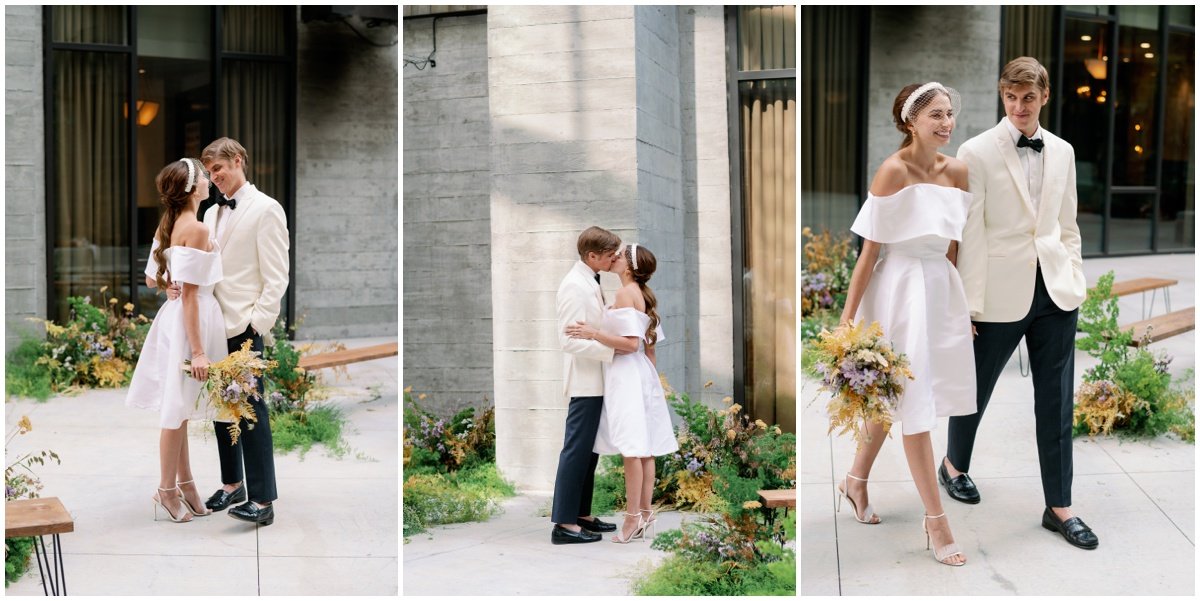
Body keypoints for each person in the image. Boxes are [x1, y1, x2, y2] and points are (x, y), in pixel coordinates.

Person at [944, 57, 1098, 550]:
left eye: (1027, 98)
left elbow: (1067, 224)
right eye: (1010, 97)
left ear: (1044, 97)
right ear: (1002, 96)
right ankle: (952, 465)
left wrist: (1072, 272)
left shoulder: (1065, 152)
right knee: (975, 389)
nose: (1018, 107)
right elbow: (971, 234)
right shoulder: (976, 151)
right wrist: (967, 306)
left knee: (1056, 403)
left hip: (1054, 291)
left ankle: (1059, 507)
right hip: (996, 292)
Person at [837, 82, 977, 566]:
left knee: (898, 396)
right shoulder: (892, 171)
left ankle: (854, 480)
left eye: (950, 114)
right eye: (935, 114)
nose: (946, 123)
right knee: (912, 402)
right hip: (896, 290)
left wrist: (960, 309)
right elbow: (868, 254)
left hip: (940, 289)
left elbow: (954, 243)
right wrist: (846, 321)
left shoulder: (958, 170)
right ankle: (936, 521)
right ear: (909, 120)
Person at [168, 137, 290, 526]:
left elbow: (277, 277)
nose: (214, 177)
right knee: (223, 411)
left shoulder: (267, 209)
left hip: (243, 325)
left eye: (218, 169)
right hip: (213, 324)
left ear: (238, 161)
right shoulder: (209, 214)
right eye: (210, 172)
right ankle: (232, 484)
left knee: (251, 411)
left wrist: (257, 325)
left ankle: (263, 500)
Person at [127, 158, 227, 523]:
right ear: (192, 188)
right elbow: (186, 295)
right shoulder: (196, 228)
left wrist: (170, 278)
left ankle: (185, 483)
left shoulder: (170, 222)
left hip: (177, 320)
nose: (208, 181)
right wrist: (199, 352)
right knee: (175, 411)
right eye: (203, 176)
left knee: (181, 409)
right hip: (190, 322)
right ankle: (166, 490)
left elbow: (152, 279)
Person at [565, 243, 678, 543]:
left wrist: (593, 333)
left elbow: (630, 344)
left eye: (620, 255)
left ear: (628, 267)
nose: (614, 257)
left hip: (626, 373)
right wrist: (651, 384)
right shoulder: (641, 295)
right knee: (644, 449)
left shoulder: (625, 293)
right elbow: (649, 349)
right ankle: (644, 512)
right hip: (639, 373)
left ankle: (631, 520)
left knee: (632, 449)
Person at [549, 226, 622, 544]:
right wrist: (613, 350)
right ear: (592, 256)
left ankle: (581, 514)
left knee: (588, 452)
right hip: (585, 381)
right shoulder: (574, 286)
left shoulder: (591, 280)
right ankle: (564, 524)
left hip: (597, 379)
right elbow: (568, 341)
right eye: (609, 255)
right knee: (576, 451)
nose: (614, 259)